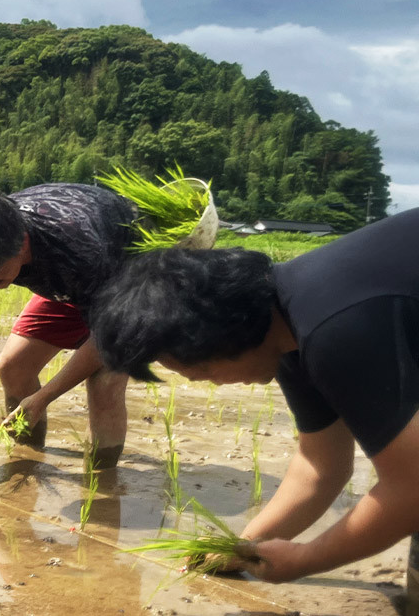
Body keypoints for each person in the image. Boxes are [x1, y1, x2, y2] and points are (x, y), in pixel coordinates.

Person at [88, 208, 419, 584]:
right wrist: (241, 547)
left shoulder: (332, 329)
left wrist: (307, 559)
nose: (208, 384)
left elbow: (412, 487)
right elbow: (320, 467)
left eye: (196, 373)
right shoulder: (288, 331)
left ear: (215, 337)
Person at [0, 184, 136, 464]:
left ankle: (101, 483)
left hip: (127, 276)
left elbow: (109, 335)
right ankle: (28, 464)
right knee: (12, 368)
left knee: (104, 383)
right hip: (71, 280)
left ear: (23, 244)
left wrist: (43, 397)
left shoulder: (77, 248)